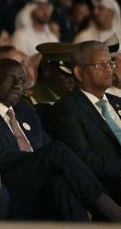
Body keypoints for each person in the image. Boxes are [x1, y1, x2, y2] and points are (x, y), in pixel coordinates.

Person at [0, 58, 121, 222]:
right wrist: (39, 160)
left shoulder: (27, 113)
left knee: (61, 183)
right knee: (57, 150)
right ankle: (110, 210)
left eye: (22, 80)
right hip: (6, 182)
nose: (18, 85)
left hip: (38, 185)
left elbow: (47, 149)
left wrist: (42, 160)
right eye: (10, 78)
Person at [49, 41, 121, 202]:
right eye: (100, 64)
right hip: (107, 186)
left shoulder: (118, 102)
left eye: (110, 62)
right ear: (79, 72)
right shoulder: (67, 108)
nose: (109, 68)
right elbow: (80, 157)